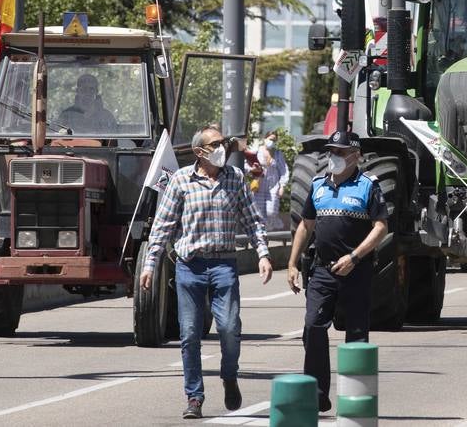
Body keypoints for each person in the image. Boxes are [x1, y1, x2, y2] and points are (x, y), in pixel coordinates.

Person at [141, 126, 274, 419]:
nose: (222, 148)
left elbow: (252, 220)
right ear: (200, 152)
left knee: (228, 328)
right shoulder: (181, 181)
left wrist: (263, 253)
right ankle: (194, 397)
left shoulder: (235, 178)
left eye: (223, 143)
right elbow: (163, 226)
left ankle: (229, 375)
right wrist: (150, 264)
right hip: (190, 266)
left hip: (224, 265)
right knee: (189, 334)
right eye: (215, 144)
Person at [287, 129, 388, 414]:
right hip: (322, 270)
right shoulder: (318, 185)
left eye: (341, 152)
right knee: (312, 327)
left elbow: (380, 227)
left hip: (356, 269)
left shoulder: (368, 185)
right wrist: (292, 263)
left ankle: (356, 400)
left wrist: (355, 257)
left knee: (356, 334)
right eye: (332, 151)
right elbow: (306, 225)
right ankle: (318, 392)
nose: (335, 156)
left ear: (356, 155)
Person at [252, 128, 290, 232]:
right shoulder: (257, 151)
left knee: (271, 211)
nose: (271, 142)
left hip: (273, 186)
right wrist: (252, 169)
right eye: (270, 139)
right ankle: (263, 234)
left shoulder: (277, 154)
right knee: (259, 212)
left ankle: (272, 227)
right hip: (259, 185)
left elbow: (284, 170)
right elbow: (248, 165)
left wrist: (282, 186)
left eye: (274, 140)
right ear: (265, 139)